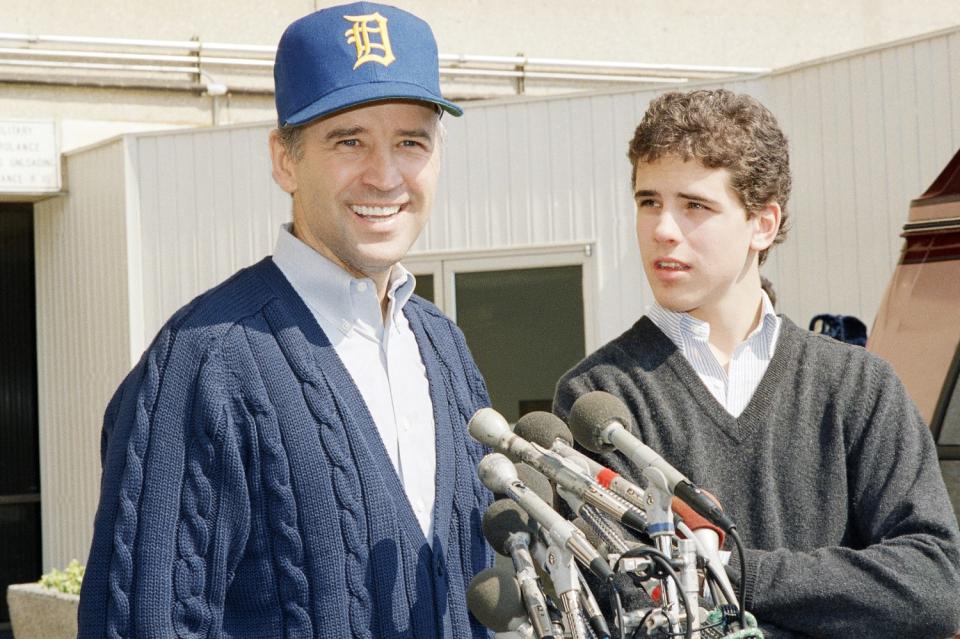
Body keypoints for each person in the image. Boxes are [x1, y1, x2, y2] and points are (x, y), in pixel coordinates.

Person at [78, 4, 492, 637]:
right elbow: (144, 620)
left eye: (411, 142)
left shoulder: (443, 345)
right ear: (285, 160)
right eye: (348, 140)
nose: (384, 176)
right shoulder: (202, 362)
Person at [553, 89, 960, 638]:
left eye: (694, 206)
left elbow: (934, 586)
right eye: (649, 201)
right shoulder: (598, 403)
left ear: (762, 224)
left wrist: (731, 570)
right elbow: (635, 606)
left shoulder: (859, 385)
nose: (662, 229)